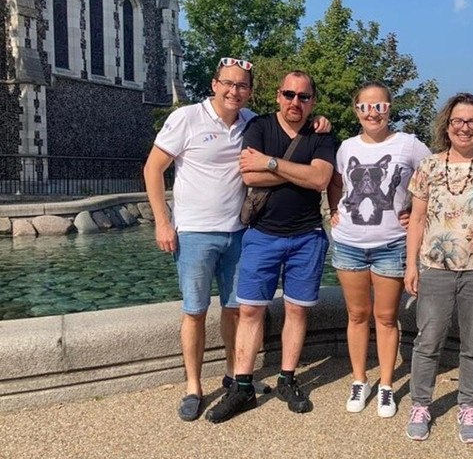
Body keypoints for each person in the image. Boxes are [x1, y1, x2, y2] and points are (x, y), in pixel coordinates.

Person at [144, 59, 329, 422]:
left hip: (240, 230)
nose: (234, 91)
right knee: (195, 312)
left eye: (242, 86)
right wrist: (162, 223)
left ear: (251, 91)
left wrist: (317, 127)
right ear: (214, 84)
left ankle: (234, 378)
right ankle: (193, 387)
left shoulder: (251, 122)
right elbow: (153, 168)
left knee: (236, 309)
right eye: (228, 84)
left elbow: (310, 167)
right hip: (194, 231)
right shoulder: (186, 118)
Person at [205, 70, 335, 422]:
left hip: (307, 237)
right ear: (278, 96)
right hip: (262, 235)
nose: (296, 102)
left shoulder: (321, 134)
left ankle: (287, 379)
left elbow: (321, 179)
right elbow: (249, 175)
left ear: (313, 101)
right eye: (289, 95)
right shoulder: (260, 127)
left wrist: (272, 163)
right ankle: (242, 386)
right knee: (250, 311)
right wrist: (298, 171)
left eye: (304, 97)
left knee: (297, 310)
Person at [404, 93, 473, 444]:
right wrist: (411, 265)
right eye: (457, 121)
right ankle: (420, 403)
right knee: (428, 339)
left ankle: (468, 404)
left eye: (471, 121)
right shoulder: (429, 166)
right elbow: (418, 218)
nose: (464, 127)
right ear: (447, 125)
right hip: (435, 266)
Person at [327, 82, 431, 418]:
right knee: (357, 316)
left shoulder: (408, 144)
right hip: (349, 243)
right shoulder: (346, 147)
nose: (373, 113)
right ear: (356, 110)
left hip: (391, 244)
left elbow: (432, 176)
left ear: (390, 109)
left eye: (380, 106)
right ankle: (360, 380)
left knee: (386, 318)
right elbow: (336, 183)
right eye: (365, 107)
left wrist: (416, 211)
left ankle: (386, 384)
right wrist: (333, 209)